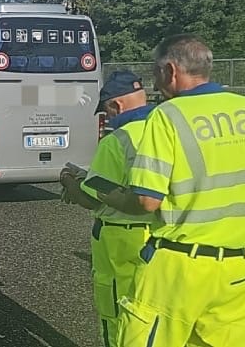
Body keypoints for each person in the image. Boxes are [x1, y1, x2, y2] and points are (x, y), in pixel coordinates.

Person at [96, 34, 245, 346]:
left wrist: (105, 194)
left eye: (156, 74)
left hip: (178, 267)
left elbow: (146, 200)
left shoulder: (168, 116)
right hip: (238, 268)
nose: (156, 87)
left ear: (170, 70)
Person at [58, 70, 157, 347]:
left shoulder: (117, 140)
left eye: (107, 112)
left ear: (116, 105)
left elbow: (92, 197)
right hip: (162, 237)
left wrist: (68, 179)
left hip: (120, 240)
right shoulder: (167, 130)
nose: (108, 118)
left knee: (117, 316)